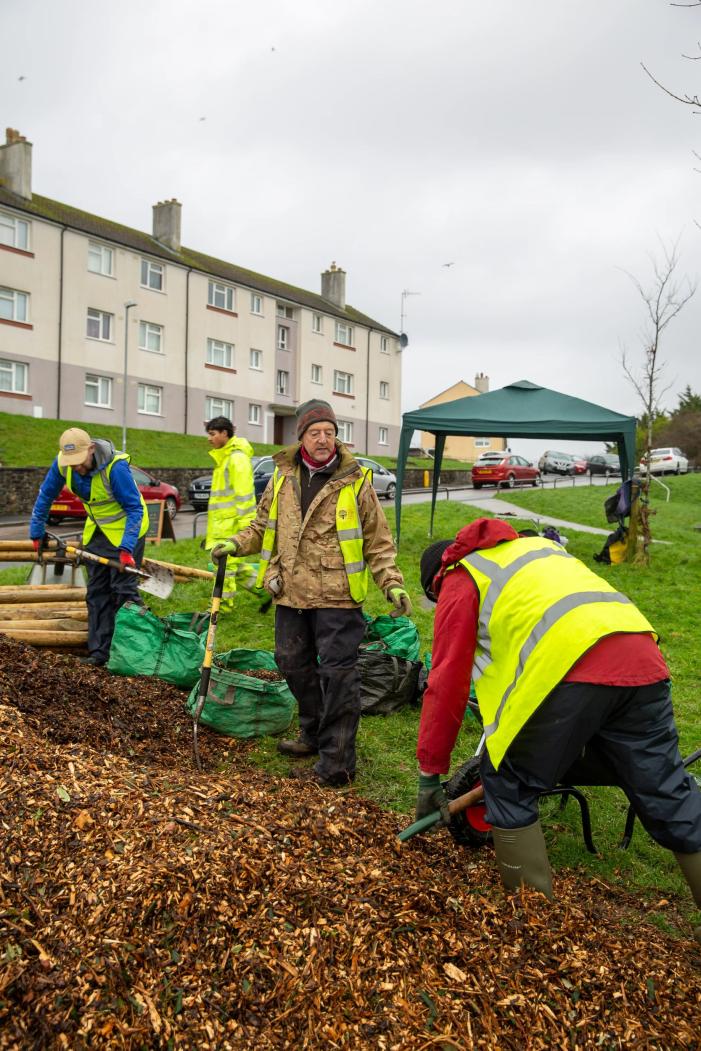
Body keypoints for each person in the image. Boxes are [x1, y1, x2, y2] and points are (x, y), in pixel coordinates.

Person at [415, 517, 701, 942]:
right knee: (666, 789)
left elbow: (446, 683)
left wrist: (429, 778)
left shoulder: (462, 576)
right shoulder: (537, 550)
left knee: (508, 781)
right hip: (641, 658)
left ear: (437, 580)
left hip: (570, 667)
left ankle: (534, 928)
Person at [212, 398, 412, 786]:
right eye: (315, 432)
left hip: (338, 593)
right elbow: (259, 526)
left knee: (338, 676)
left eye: (330, 433)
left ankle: (337, 763)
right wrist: (235, 544)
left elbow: (378, 540)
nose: (323, 440)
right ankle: (314, 733)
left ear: (337, 437)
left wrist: (391, 581)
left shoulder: (357, 481)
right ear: (301, 437)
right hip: (290, 590)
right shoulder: (283, 477)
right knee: (290, 662)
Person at [29, 427, 149, 667]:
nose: (76, 468)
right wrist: (36, 530)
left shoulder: (116, 468)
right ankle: (99, 653)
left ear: (91, 449)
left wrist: (126, 550)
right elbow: (46, 495)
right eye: (71, 463)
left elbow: (134, 509)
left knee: (123, 591)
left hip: (127, 531)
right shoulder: (63, 464)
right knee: (97, 592)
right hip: (97, 532)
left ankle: (133, 653)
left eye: (79, 461)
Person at [203, 415, 267, 610]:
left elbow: (245, 496)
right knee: (226, 565)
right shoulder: (225, 458)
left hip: (230, 526)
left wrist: (246, 530)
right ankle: (263, 590)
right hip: (222, 525)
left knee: (224, 567)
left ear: (225, 433)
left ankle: (222, 606)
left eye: (213, 434)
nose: (209, 438)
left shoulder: (236, 459)